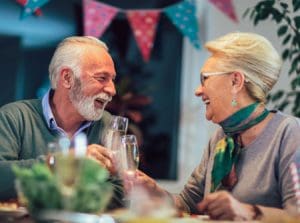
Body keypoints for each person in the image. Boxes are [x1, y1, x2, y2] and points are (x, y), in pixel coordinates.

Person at [124, 32, 300, 220]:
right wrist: (153, 190)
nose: (198, 90)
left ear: (235, 81)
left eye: (205, 79)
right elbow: (188, 204)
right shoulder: (221, 139)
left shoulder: (289, 132)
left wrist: (247, 211)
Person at [0, 36, 119, 202]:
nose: (112, 90)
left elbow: (120, 190)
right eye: (101, 78)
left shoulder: (108, 124)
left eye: (112, 79)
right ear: (67, 78)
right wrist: (63, 163)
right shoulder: (14, 117)